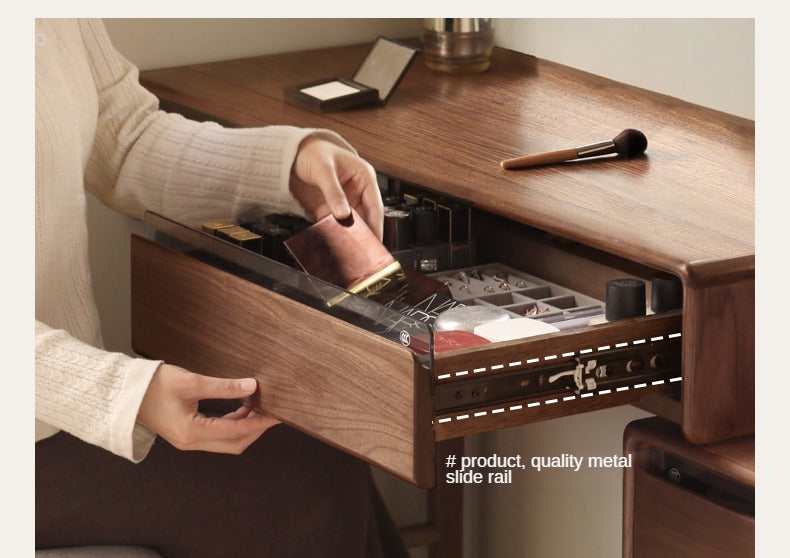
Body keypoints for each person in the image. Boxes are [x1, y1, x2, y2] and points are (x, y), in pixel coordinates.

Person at [35, 18, 406, 558]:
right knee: (310, 476)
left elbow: (126, 138)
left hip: (53, 413)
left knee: (329, 454)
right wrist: (125, 393)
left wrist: (288, 167)